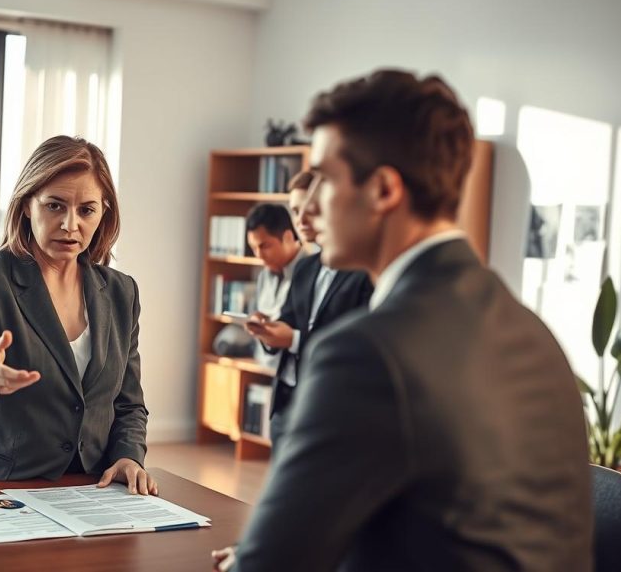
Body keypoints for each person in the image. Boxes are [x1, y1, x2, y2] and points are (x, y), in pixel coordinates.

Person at [214, 70, 592, 570]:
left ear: (384, 190)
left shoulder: (366, 353)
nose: (311, 203)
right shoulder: (533, 333)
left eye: (325, 177)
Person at [0, 135, 157, 496]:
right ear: (26, 206)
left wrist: (129, 456)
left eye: (86, 210)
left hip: (87, 489)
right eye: (54, 206)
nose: (70, 224)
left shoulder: (120, 292)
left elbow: (127, 402)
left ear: (103, 212)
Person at [245, 171, 373, 449]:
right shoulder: (305, 267)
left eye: (310, 209)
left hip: (332, 405)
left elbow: (356, 346)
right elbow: (288, 322)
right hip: (287, 401)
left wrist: (293, 339)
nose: (301, 219)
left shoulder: (364, 273)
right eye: (295, 210)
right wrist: (267, 330)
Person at [244, 203, 306, 372]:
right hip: (266, 367)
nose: (258, 255)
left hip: (298, 371)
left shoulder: (309, 271)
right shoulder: (264, 274)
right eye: (253, 248)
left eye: (264, 246)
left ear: (287, 237)